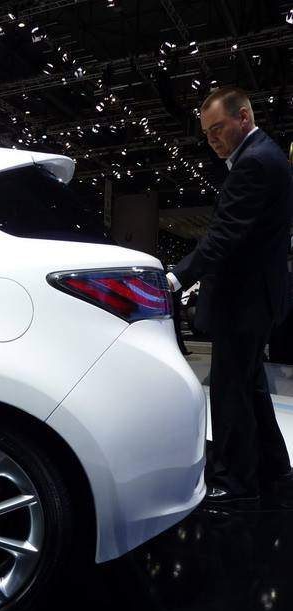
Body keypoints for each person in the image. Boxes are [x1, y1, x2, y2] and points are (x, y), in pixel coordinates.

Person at [167, 86, 293, 508]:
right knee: (249, 385)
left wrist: (176, 278)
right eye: (206, 133)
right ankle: (274, 466)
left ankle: (236, 483)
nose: (211, 139)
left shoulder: (254, 162)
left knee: (230, 391)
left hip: (244, 301)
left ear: (243, 117)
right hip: (255, 299)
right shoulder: (266, 155)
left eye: (217, 128)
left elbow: (224, 236)